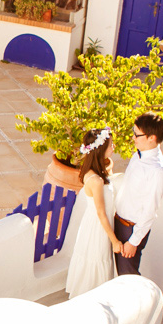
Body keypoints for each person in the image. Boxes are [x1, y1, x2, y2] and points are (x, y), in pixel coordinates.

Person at [65, 127, 121, 297]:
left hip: (94, 225)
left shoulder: (94, 173)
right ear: (101, 149)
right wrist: (115, 241)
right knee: (97, 261)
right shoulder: (95, 180)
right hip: (98, 228)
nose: (113, 148)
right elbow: (101, 213)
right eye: (111, 145)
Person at [113, 113, 163, 276]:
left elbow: (150, 211)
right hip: (118, 220)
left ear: (152, 138)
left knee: (128, 276)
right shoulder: (137, 155)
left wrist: (133, 241)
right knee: (115, 272)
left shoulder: (158, 171)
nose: (133, 138)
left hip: (131, 230)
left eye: (137, 135)